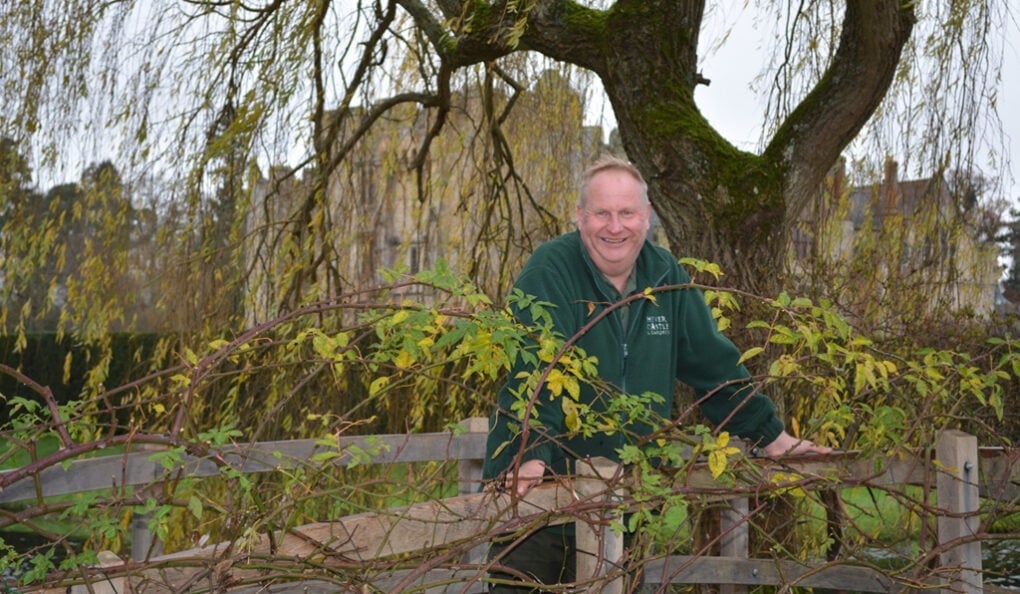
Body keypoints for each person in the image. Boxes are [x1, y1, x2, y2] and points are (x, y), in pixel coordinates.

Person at [482, 155, 830, 592]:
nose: (615, 227)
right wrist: (529, 454)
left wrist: (770, 434)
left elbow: (712, 364)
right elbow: (536, 366)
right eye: (602, 213)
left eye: (627, 213)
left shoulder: (664, 275)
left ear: (646, 217)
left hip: (628, 496)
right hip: (543, 500)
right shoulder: (550, 270)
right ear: (580, 216)